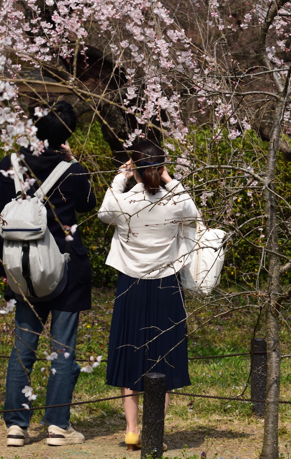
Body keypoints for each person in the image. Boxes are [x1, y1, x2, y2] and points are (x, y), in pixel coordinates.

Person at [0, 101, 97, 447]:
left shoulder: (11, 164)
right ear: (67, 136)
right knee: (62, 348)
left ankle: (16, 427)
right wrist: (73, 159)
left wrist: (2, 269)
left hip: (22, 266)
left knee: (24, 346)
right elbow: (87, 204)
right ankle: (57, 426)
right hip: (65, 266)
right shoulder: (73, 169)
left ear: (33, 127)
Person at [97, 138, 198, 450]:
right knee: (163, 360)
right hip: (166, 286)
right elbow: (193, 213)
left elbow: (104, 211)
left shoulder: (125, 203)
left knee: (131, 356)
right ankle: (156, 433)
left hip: (131, 286)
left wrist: (120, 176)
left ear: (136, 171)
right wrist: (169, 179)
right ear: (161, 168)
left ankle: (131, 430)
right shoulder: (175, 201)